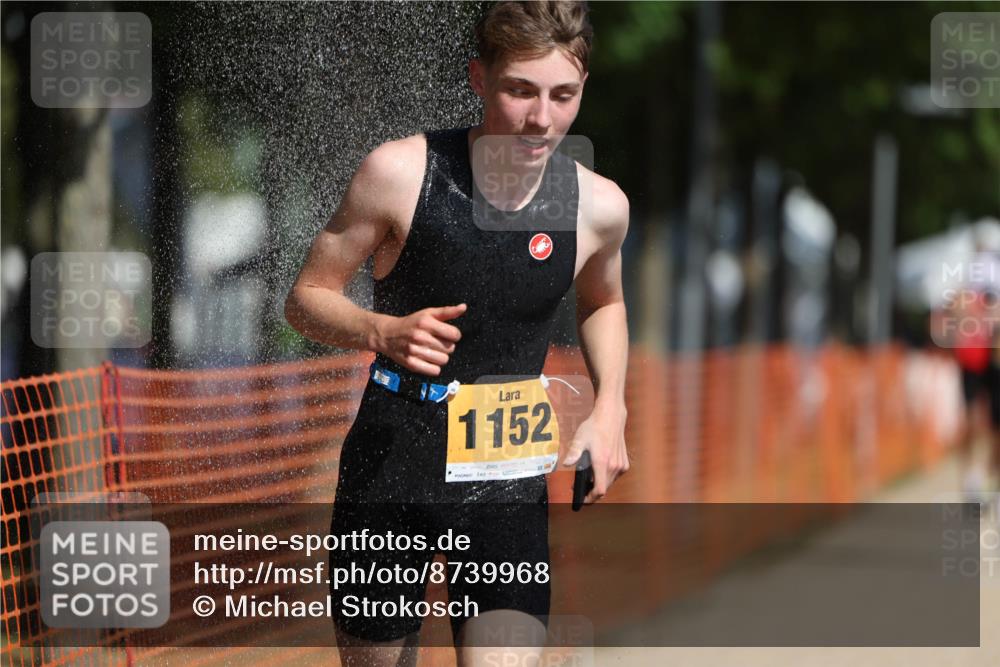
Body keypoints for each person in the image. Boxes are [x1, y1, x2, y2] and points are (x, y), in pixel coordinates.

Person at [284, 2, 629, 665]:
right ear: (478, 78)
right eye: (520, 90)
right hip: (392, 467)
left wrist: (611, 406)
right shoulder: (400, 173)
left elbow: (604, 300)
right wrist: (379, 330)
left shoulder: (598, 205)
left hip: (507, 479)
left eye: (563, 95)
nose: (541, 118)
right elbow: (305, 299)